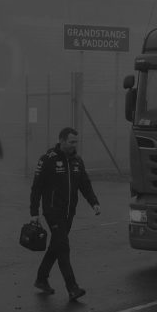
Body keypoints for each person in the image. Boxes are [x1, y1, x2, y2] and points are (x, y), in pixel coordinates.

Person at [29, 127, 101, 301]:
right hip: (53, 212)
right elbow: (36, 188)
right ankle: (72, 287)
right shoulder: (48, 160)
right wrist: (34, 212)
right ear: (61, 141)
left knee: (56, 246)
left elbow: (85, 184)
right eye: (71, 142)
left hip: (69, 213)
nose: (74, 145)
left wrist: (94, 203)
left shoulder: (77, 161)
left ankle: (41, 278)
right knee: (63, 247)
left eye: (76, 142)